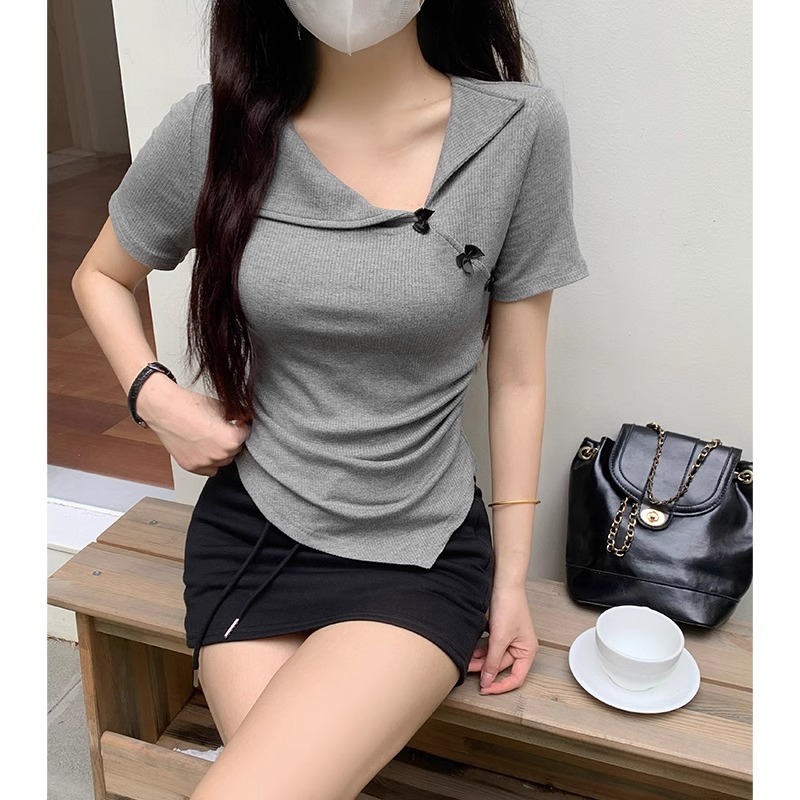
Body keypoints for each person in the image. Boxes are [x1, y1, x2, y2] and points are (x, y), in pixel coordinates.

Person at [71, 1, 589, 797]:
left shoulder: (517, 130)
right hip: (253, 533)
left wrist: (511, 582)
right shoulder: (217, 125)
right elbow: (101, 274)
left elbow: (518, 377)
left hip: (416, 545)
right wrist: (157, 398)